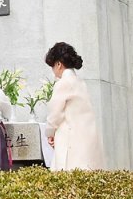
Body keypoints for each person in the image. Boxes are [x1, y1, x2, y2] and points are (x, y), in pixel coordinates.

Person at [44, 42, 105, 170]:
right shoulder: (80, 83)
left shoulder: (63, 83)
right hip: (87, 136)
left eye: (52, 66)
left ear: (59, 64)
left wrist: (50, 132)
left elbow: (55, 113)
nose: (53, 71)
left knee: (68, 175)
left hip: (70, 138)